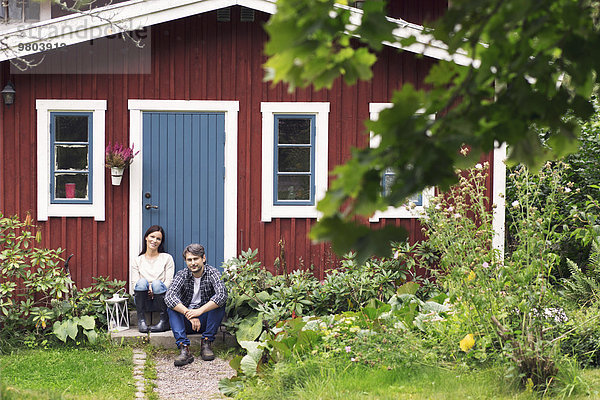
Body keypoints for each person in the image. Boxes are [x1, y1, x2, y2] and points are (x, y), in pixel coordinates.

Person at [165, 243, 227, 366]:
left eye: (195, 259)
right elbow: (169, 296)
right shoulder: (182, 275)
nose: (192, 263)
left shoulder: (213, 273)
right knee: (171, 307)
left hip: (206, 320)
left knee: (219, 303)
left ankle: (206, 342)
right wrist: (189, 314)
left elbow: (222, 294)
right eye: (189, 260)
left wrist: (200, 311)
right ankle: (184, 348)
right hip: (187, 321)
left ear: (203, 258)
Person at [131, 225, 175, 333]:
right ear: (146, 237)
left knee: (157, 284)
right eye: (152, 236)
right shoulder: (137, 261)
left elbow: (169, 281)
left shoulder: (167, 258)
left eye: (158, 238)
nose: (154, 240)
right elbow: (134, 283)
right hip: (143, 299)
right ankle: (141, 320)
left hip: (160, 299)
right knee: (141, 283)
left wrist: (154, 289)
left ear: (161, 242)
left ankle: (164, 321)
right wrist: (147, 290)